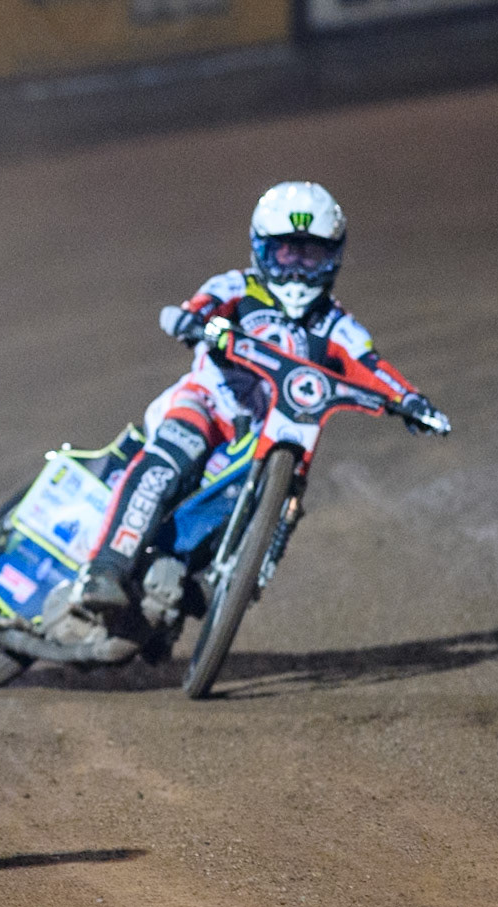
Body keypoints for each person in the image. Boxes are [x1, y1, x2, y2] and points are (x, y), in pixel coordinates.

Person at [71, 181, 450, 612]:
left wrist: (412, 401)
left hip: (265, 434)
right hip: (206, 404)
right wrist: (190, 320)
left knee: (284, 502)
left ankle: (203, 585)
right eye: (286, 252)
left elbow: (372, 365)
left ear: (334, 257)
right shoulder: (238, 287)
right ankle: (104, 569)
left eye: (312, 254)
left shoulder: (337, 325)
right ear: (261, 249)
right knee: (176, 452)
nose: (296, 268)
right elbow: (200, 305)